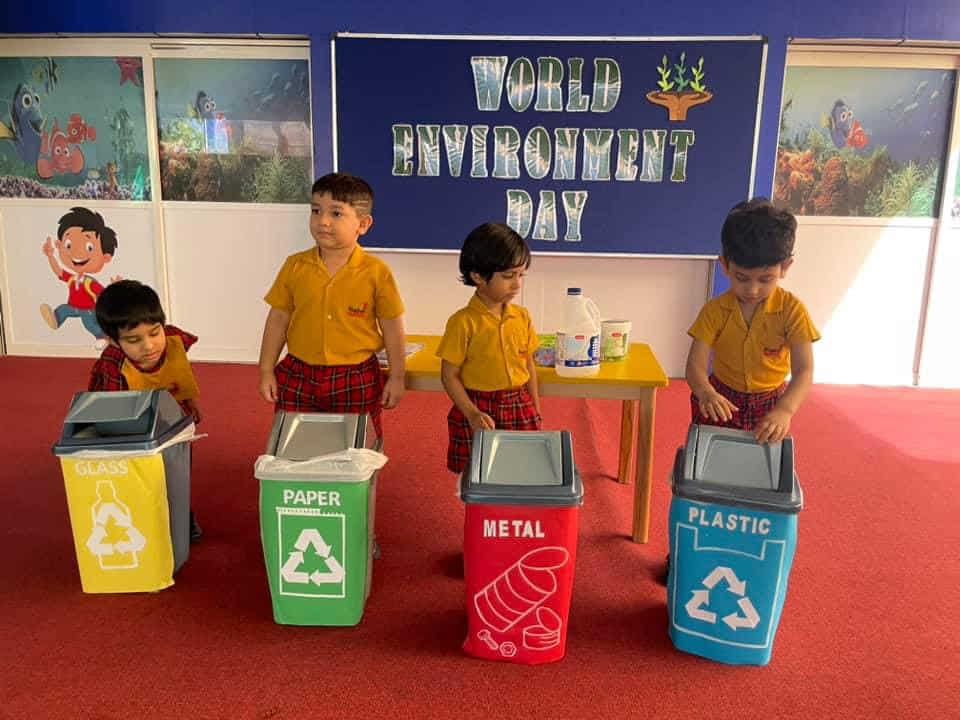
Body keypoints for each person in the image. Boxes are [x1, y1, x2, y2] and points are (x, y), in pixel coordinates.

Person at [258, 173, 406, 436]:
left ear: (363, 224)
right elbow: (278, 319)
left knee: (356, 444)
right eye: (316, 210)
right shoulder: (295, 265)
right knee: (295, 440)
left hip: (356, 376)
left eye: (336, 213)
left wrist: (397, 376)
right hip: (298, 372)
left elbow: (392, 328)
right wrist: (266, 370)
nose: (323, 221)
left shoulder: (376, 272)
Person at [685, 197, 820, 444]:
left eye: (765, 279)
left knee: (761, 462)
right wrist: (705, 392)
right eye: (742, 278)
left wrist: (784, 410)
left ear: (785, 267)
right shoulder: (714, 311)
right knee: (711, 456)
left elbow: (804, 370)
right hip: (720, 400)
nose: (753, 289)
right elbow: (695, 365)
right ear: (725, 265)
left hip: (771, 403)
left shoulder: (792, 311)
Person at [88, 279, 203, 541]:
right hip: (133, 431)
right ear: (114, 341)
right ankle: (145, 522)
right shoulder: (113, 365)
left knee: (177, 475)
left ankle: (182, 517)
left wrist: (192, 407)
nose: (149, 346)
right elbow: (112, 414)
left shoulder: (173, 341)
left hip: (175, 423)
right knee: (142, 481)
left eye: (154, 333)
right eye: (134, 340)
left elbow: (181, 376)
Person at [438, 222, 542, 474]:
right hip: (478, 407)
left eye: (521, 275)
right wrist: (472, 414)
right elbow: (449, 375)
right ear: (478, 276)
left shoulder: (522, 317)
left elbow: (528, 365)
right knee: (476, 474)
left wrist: (535, 407)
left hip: (519, 404)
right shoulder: (462, 322)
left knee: (523, 470)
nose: (517, 285)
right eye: (508, 276)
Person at [40, 206, 120, 349]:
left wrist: (117, 287)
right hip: (73, 306)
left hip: (88, 309)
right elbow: (58, 271)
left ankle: (103, 336)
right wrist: (51, 256)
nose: (77, 253)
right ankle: (56, 320)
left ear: (106, 257)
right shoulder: (72, 278)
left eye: (89, 248)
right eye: (69, 245)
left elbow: (104, 294)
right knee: (63, 309)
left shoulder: (89, 282)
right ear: (59, 244)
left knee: (89, 324)